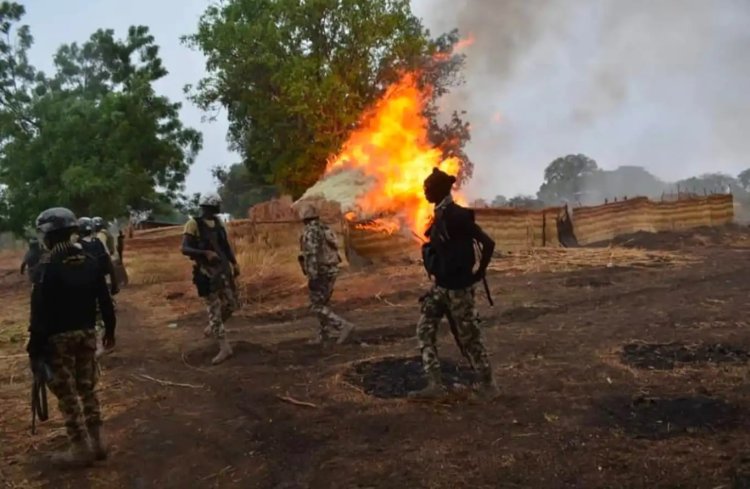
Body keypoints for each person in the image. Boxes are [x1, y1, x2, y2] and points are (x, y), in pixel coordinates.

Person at [27, 207, 116, 466]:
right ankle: (99, 442)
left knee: (67, 393)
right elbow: (105, 299)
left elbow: (39, 313)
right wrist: (109, 329)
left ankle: (80, 447)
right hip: (87, 334)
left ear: (48, 236)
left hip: (58, 340)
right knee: (87, 387)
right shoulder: (89, 260)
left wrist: (35, 347)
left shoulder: (46, 267)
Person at [410, 168, 498, 400]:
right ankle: (435, 384)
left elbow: (488, 243)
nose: (425, 192)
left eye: (428, 188)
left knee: (470, 338)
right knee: (424, 331)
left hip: (459, 289)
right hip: (441, 288)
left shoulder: (457, 215)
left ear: (439, 190)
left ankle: (488, 385)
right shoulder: (439, 214)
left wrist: (479, 273)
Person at [181, 192, 239, 365]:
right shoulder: (193, 224)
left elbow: (225, 245)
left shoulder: (218, 223)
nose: (220, 207)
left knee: (231, 304)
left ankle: (213, 326)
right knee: (214, 308)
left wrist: (234, 263)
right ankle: (224, 347)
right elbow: (185, 248)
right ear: (209, 205)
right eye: (217, 205)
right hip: (205, 273)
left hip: (222, 270)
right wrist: (205, 253)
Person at [298, 202, 355, 345]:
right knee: (323, 303)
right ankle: (324, 335)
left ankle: (343, 326)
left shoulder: (310, 232)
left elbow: (311, 255)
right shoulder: (325, 228)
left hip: (321, 272)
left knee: (316, 305)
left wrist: (312, 276)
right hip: (332, 270)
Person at [78, 217, 119, 357]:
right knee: (105, 310)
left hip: (86, 287)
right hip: (102, 282)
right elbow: (108, 263)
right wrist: (114, 283)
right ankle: (104, 340)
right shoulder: (99, 243)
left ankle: (94, 346)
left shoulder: (78, 246)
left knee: (91, 316)